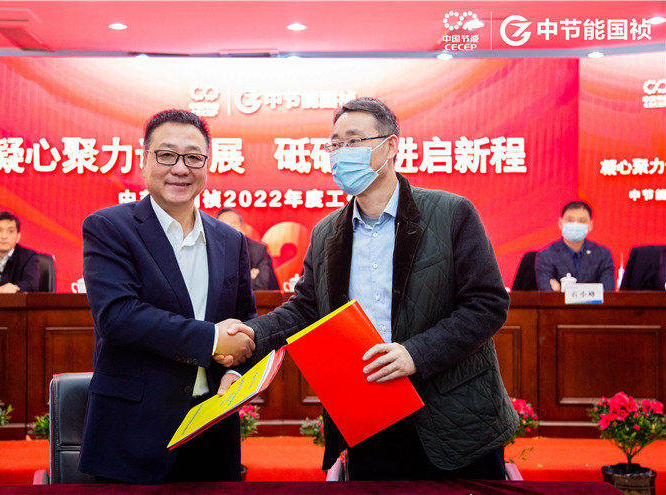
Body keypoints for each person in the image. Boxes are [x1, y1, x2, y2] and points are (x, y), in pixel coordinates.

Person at [221, 98, 517, 481]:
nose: (342, 153)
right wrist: (252, 333)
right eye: (335, 144)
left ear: (391, 146)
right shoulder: (327, 233)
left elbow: (487, 304)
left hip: (456, 415)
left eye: (355, 141)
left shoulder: (452, 213)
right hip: (369, 415)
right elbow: (306, 309)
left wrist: (416, 353)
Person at [78, 109, 257, 484]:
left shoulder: (230, 240)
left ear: (207, 164)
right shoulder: (109, 227)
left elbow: (245, 320)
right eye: (166, 155)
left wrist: (235, 373)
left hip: (212, 428)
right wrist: (211, 340)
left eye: (193, 157)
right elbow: (118, 317)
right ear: (144, 161)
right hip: (133, 432)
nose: (180, 168)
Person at [535, 201, 615, 291]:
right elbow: (546, 292)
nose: (576, 224)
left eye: (582, 221)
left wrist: (562, 291)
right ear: (560, 223)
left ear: (590, 225)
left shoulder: (603, 255)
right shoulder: (546, 255)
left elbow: (607, 292)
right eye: (570, 220)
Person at [216, 208, 280, 290]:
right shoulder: (213, 249)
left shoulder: (258, 250)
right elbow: (212, 284)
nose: (228, 232)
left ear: (242, 228)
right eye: (223, 228)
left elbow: (262, 285)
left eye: (233, 227)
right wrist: (246, 277)